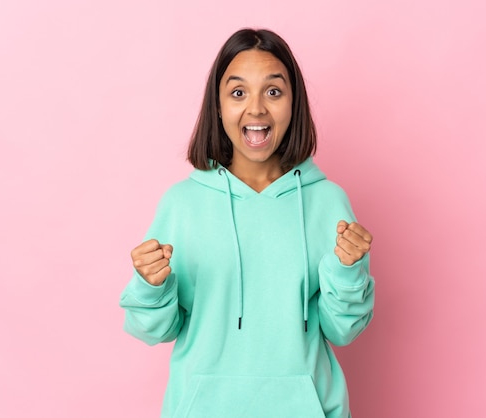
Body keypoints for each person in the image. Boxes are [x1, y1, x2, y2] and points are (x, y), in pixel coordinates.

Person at [120, 28, 375, 418]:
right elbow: (153, 329)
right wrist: (150, 286)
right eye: (238, 93)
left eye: (273, 92)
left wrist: (348, 272)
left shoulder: (327, 201)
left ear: (294, 104)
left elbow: (343, 330)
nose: (256, 109)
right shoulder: (181, 204)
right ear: (218, 106)